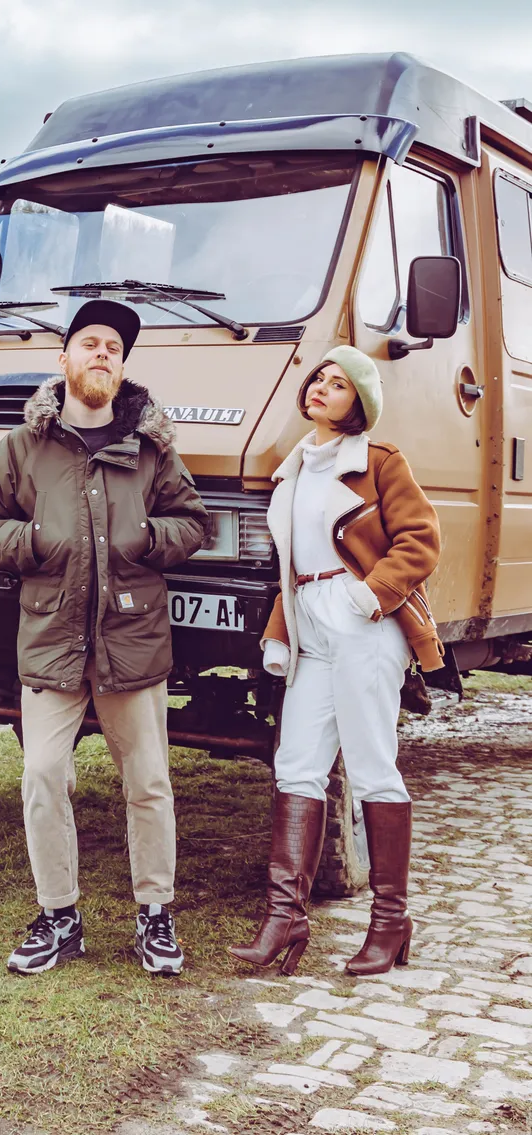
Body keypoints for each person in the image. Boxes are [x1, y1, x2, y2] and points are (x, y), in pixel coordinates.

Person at [0, 300, 210, 976]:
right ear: (64, 360)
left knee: (150, 781)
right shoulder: (21, 449)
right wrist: (35, 539)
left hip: (133, 641)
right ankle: (59, 917)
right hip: (51, 639)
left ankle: (155, 917)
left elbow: (194, 522)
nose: (103, 354)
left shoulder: (152, 450)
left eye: (114, 349)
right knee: (42, 775)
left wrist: (150, 537)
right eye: (90, 343)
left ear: (122, 368)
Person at [229, 345, 443, 977]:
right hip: (310, 627)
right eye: (318, 378)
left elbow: (421, 538)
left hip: (363, 624)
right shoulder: (295, 466)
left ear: (360, 404)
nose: (321, 387)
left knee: (374, 766)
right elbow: (292, 563)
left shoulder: (378, 461)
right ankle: (285, 918)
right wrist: (279, 628)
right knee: (295, 764)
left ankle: (390, 923)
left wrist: (370, 594)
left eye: (339, 384)